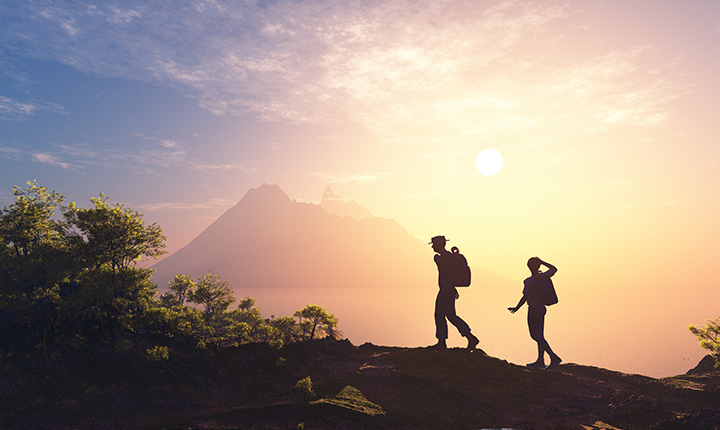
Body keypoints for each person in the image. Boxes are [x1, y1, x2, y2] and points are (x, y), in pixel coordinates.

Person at [508, 257, 562, 370]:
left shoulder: (528, 281)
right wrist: (542, 262)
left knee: (535, 335)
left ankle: (553, 357)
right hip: (541, 308)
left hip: (533, 309)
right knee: (540, 336)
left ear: (528, 266)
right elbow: (554, 269)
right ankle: (540, 360)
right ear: (539, 266)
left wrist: (517, 307)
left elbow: (525, 296)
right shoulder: (544, 276)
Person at [429, 235, 479, 350]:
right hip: (449, 290)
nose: (432, 248)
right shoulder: (448, 257)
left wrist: (449, 288)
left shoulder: (443, 258)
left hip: (445, 290)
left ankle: (442, 342)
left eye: (434, 245)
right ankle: (470, 337)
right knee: (451, 316)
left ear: (439, 245)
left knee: (439, 314)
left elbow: (448, 274)